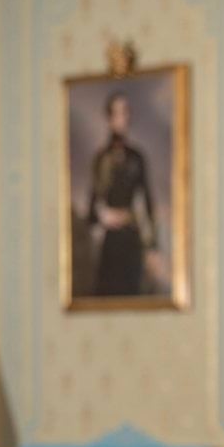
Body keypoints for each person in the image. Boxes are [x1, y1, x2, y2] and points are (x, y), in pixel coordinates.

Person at [86, 91, 160, 296]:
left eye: (125, 113)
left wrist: (152, 246)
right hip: (110, 242)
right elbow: (92, 209)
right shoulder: (101, 160)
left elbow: (147, 201)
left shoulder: (137, 157)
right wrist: (104, 216)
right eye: (117, 113)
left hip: (131, 239)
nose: (122, 118)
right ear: (109, 118)